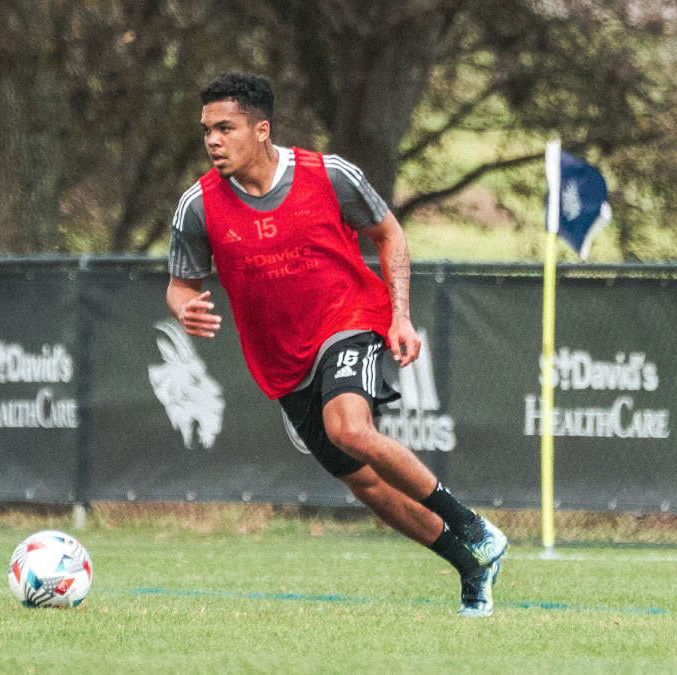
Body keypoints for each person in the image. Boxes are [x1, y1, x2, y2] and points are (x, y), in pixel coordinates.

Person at [166, 72, 507, 617]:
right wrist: (185, 307)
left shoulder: (328, 175)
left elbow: (389, 234)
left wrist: (400, 316)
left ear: (261, 130)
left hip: (349, 320)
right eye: (206, 129)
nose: (212, 140)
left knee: (347, 427)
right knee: (368, 486)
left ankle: (473, 526)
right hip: (280, 364)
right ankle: (471, 566)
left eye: (224, 128)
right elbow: (182, 284)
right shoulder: (198, 206)